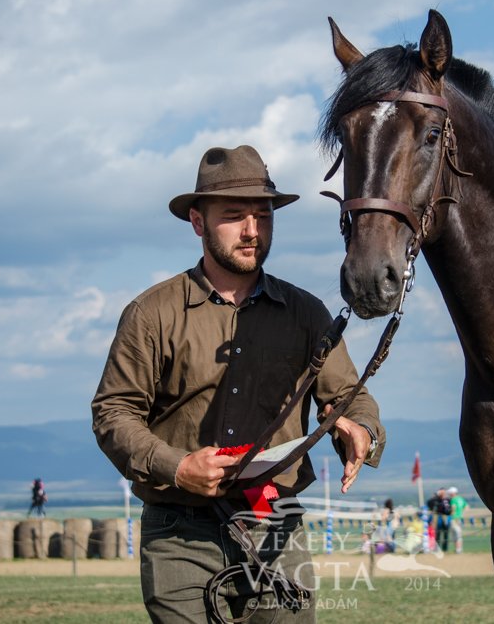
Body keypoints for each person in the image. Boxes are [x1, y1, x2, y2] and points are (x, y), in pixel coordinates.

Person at [91, 145, 386, 623]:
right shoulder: (151, 314)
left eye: (263, 216)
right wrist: (177, 465)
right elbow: (113, 413)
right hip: (178, 534)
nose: (252, 231)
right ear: (197, 222)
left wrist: (360, 430)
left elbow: (348, 399)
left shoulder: (307, 314)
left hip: (276, 527)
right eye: (234, 216)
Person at [426, 488, 451, 553]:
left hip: (445, 517)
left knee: (446, 533)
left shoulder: (447, 499)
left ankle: (445, 549)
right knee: (437, 533)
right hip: (437, 517)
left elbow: (449, 508)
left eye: (444, 492)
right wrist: (437, 496)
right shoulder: (435, 500)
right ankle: (437, 548)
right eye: (441, 492)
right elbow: (429, 503)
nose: (443, 494)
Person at [447, 486, 468, 554]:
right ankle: (459, 549)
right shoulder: (461, 499)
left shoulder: (453, 500)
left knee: (455, 535)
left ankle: (458, 549)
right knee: (459, 534)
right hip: (460, 519)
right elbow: (467, 507)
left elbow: (453, 508)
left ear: (452, 493)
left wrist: (451, 515)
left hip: (454, 519)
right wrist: (461, 514)